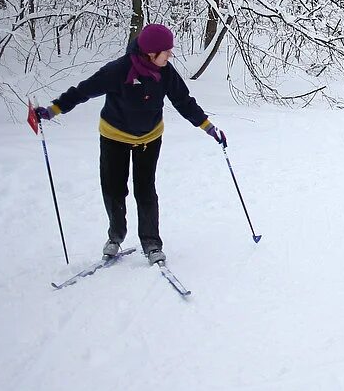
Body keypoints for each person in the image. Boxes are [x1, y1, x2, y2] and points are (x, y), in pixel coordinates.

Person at [30, 24, 224, 264]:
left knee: (145, 190)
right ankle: (115, 236)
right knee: (113, 189)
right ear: (151, 53)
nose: (170, 55)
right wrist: (52, 110)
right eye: (167, 51)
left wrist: (208, 127)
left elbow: (184, 101)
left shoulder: (166, 73)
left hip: (149, 138)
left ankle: (152, 243)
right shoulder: (118, 70)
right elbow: (83, 91)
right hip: (114, 137)